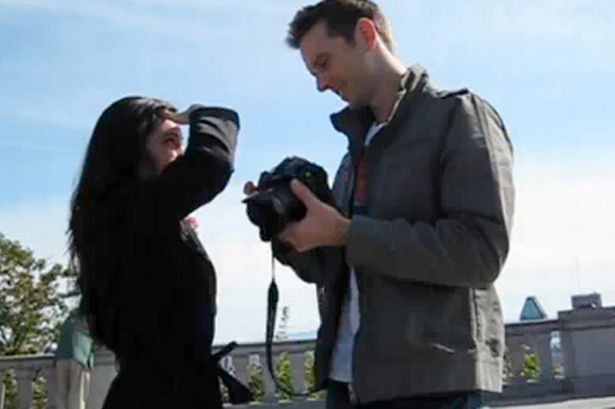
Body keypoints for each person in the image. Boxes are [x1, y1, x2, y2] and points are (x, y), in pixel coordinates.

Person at [246, 1, 515, 408]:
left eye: (324, 63)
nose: (321, 84)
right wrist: (293, 235)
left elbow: (480, 253)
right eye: (313, 73)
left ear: (365, 35)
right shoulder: (354, 153)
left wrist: (347, 232)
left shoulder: (457, 116)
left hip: (432, 388)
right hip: (347, 386)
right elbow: (334, 270)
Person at [68, 97, 239, 409]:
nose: (180, 153)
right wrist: (203, 115)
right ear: (130, 149)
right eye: (170, 141)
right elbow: (210, 164)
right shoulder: (122, 210)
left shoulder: (127, 213)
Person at [54, 309, 95, 409]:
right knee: (77, 394)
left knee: (62, 394)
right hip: (78, 357)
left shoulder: (68, 319)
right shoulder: (88, 319)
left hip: (61, 357)